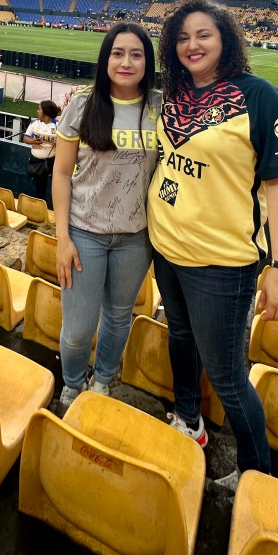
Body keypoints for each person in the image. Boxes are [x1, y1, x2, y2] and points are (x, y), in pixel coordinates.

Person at [146, 0, 278, 491]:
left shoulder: (259, 96)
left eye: (204, 35)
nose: (192, 45)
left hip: (222, 264)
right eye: (183, 38)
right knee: (181, 339)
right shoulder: (173, 95)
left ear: (225, 39)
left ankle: (258, 475)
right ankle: (189, 421)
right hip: (166, 248)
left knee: (230, 377)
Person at [54, 22, 160, 405]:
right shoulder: (83, 105)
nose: (126, 62)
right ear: (106, 58)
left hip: (136, 237)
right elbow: (62, 173)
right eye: (118, 53)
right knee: (78, 329)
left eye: (136, 54)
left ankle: (102, 380)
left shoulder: (160, 108)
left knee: (118, 319)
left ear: (147, 62)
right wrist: (62, 238)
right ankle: (71, 383)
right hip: (85, 232)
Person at [23, 100, 60, 201]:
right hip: (37, 162)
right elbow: (25, 138)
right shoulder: (35, 124)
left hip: (53, 161)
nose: (37, 111)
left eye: (39, 109)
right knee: (40, 189)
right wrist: (33, 141)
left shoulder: (57, 125)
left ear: (46, 112)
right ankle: (41, 211)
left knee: (56, 189)